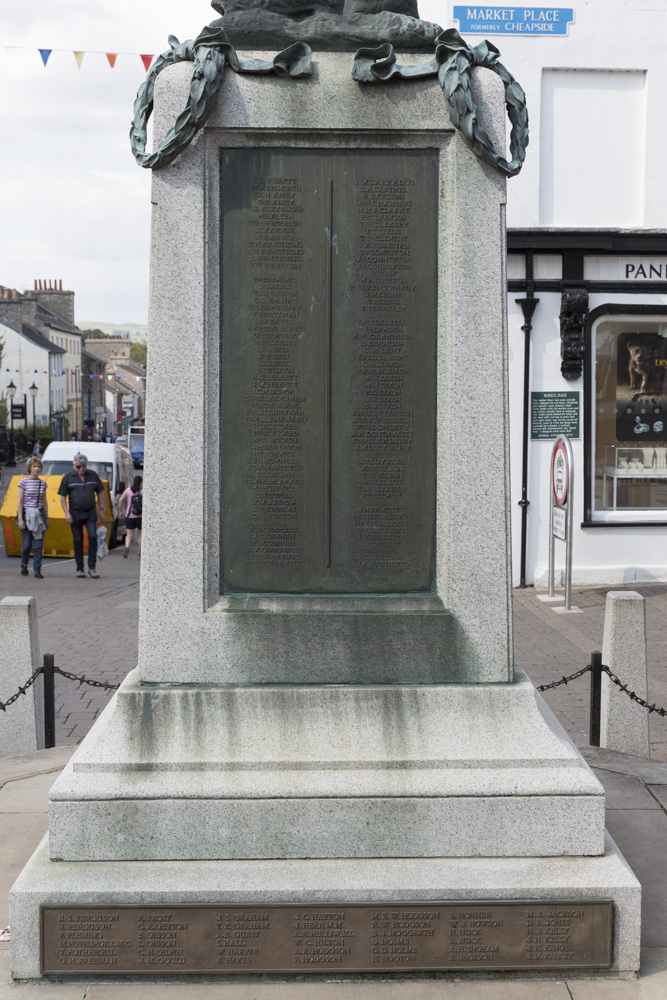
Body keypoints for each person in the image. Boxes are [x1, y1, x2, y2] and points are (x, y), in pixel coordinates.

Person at [58, 452, 106, 579]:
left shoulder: (93, 475)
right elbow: (62, 497)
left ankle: (92, 567)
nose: (81, 469)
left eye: (83, 466)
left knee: (92, 537)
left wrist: (102, 509)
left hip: (90, 513)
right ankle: (80, 568)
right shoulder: (68, 478)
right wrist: (66, 513)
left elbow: (100, 493)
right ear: (74, 465)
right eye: (78, 467)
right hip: (74, 513)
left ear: (87, 465)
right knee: (78, 540)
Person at [17, 457, 49, 579]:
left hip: (39, 514)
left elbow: (45, 502)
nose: (36, 469)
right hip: (26, 514)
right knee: (26, 545)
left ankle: (37, 569)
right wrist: (20, 518)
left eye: (38, 467)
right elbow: (19, 501)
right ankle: (24, 564)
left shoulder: (43, 483)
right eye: (34, 466)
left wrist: (47, 518)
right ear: (30, 468)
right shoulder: (23, 482)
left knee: (38, 545)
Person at [118, 475, 143, 558]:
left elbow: (120, 500)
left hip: (129, 515)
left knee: (129, 535)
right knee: (140, 535)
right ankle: (139, 553)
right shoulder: (142, 491)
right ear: (141, 482)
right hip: (140, 516)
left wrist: (121, 511)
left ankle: (127, 546)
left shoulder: (128, 490)